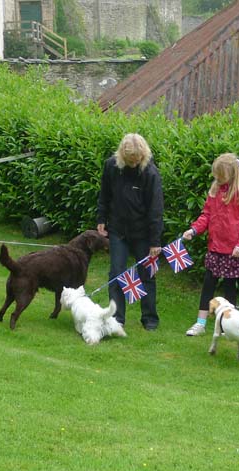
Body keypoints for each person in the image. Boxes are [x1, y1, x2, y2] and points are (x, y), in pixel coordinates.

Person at [182, 153, 239, 336]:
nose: (217, 178)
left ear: (231, 174)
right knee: (208, 284)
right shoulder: (215, 191)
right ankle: (200, 323)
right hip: (215, 248)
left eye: (220, 175)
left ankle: (227, 327)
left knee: (229, 288)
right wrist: (194, 229)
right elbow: (206, 215)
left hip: (233, 251)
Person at [96, 133, 164, 331]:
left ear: (143, 156)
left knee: (147, 274)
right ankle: (117, 319)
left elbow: (156, 209)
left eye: (136, 160)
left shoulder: (150, 173)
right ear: (122, 156)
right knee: (116, 273)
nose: (133, 164)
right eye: (129, 161)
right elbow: (104, 194)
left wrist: (155, 241)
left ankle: (150, 319)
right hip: (118, 230)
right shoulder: (111, 166)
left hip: (143, 233)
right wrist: (101, 219)